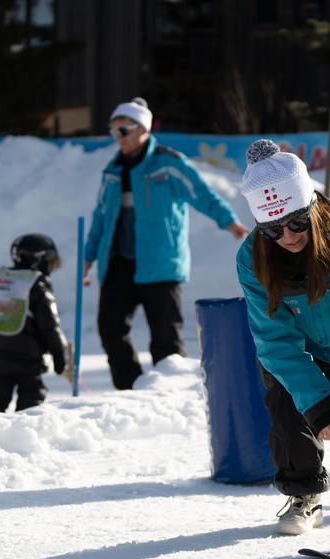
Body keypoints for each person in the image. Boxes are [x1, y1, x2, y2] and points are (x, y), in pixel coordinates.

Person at [236, 139, 330, 535]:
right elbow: (275, 340)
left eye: (297, 222)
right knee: (284, 391)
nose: (287, 235)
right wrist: (319, 406)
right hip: (305, 355)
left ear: (313, 205)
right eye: (273, 228)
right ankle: (304, 493)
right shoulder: (254, 258)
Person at [83, 97, 250, 390]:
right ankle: (131, 390)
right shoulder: (112, 171)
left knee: (165, 337)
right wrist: (89, 256)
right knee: (109, 329)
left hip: (160, 263)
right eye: (113, 132)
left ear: (142, 128)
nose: (117, 138)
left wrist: (229, 221)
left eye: (123, 130)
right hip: (119, 262)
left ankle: (169, 395)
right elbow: (100, 217)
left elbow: (202, 193)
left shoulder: (168, 163)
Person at [0, 234, 71, 412]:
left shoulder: (0, 282)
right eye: (51, 260)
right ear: (39, 259)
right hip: (28, 360)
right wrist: (59, 356)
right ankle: (24, 431)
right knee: (32, 396)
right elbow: (49, 327)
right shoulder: (35, 286)